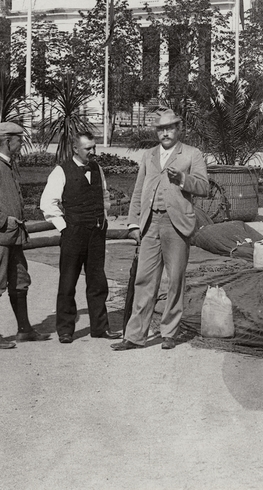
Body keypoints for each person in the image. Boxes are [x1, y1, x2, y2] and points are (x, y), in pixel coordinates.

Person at [112, 108, 213, 351]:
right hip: (150, 224)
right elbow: (138, 190)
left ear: (179, 129)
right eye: (161, 129)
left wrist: (182, 179)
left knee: (175, 278)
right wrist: (133, 223)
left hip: (176, 223)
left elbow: (204, 187)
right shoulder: (149, 155)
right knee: (144, 279)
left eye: (170, 128)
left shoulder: (192, 154)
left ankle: (169, 332)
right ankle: (135, 336)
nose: (165, 133)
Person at [0, 121, 49, 349]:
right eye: (19, 139)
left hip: (12, 238)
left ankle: (24, 330)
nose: (22, 142)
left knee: (20, 281)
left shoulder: (7, 164)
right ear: (7, 141)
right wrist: (4, 220)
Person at [40, 130, 120, 344]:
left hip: (96, 233)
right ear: (75, 149)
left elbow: (104, 195)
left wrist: (103, 217)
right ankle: (65, 330)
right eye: (88, 149)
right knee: (68, 282)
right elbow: (48, 204)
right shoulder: (61, 171)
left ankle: (100, 328)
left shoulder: (97, 168)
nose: (93, 152)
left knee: (98, 281)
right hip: (73, 234)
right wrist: (64, 228)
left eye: (94, 147)